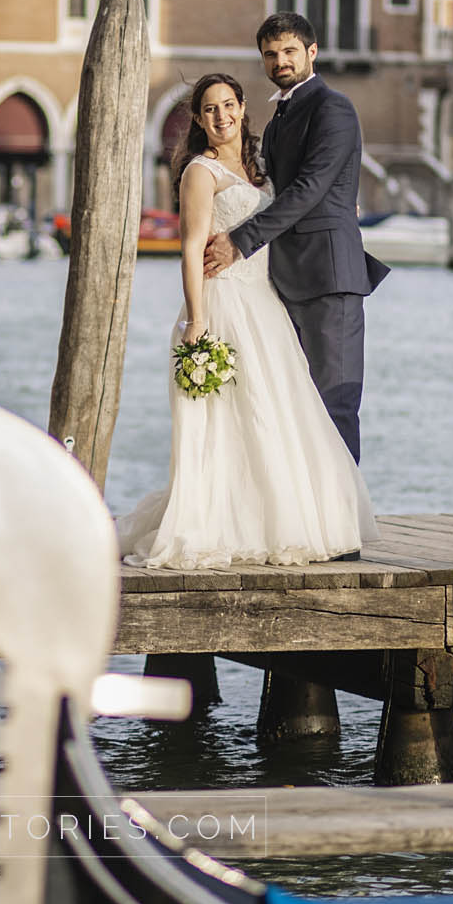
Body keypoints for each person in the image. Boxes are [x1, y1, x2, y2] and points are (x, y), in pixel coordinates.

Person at [117, 72, 378, 569]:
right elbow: (191, 248)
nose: (222, 116)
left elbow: (306, 193)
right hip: (221, 304)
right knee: (227, 422)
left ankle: (275, 522)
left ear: (242, 107)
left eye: (229, 105)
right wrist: (196, 320)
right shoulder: (201, 171)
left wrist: (346, 204)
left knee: (273, 417)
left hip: (265, 303)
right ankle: (218, 523)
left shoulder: (260, 166)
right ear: (198, 119)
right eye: (210, 109)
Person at [203, 11, 389, 463]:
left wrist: (239, 241)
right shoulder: (278, 119)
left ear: (311, 52)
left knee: (334, 405)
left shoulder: (333, 108)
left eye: (289, 52)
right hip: (284, 280)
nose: (280, 61)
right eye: (270, 54)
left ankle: (344, 524)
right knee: (297, 409)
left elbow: (311, 187)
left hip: (329, 278)